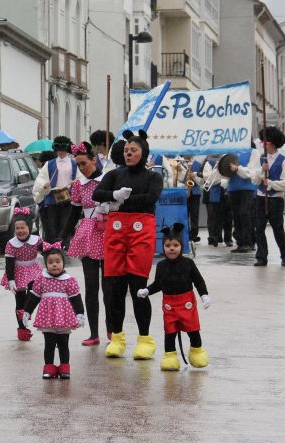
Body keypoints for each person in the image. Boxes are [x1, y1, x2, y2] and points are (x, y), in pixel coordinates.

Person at [92, 130, 163, 360]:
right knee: (114, 288)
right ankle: (118, 337)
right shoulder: (114, 174)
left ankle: (144, 339)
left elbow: (150, 198)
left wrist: (122, 200)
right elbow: (97, 193)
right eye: (126, 150)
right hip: (116, 232)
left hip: (141, 231)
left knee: (138, 287)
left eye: (133, 150)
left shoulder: (153, 177)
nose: (129, 153)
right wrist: (113, 194)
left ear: (143, 153)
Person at [137, 223, 211, 371]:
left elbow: (198, 280)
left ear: (181, 246)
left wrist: (204, 295)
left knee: (193, 329)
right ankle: (170, 356)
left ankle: (197, 351)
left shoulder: (188, 263)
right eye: (168, 245)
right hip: (169, 305)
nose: (172, 248)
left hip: (187, 303)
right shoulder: (161, 266)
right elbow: (158, 284)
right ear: (163, 247)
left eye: (176, 245)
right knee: (170, 331)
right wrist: (147, 291)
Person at [61, 141, 112, 346]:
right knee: (90, 287)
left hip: (107, 233)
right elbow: (74, 212)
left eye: (84, 163)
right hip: (88, 235)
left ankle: (112, 331)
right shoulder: (78, 185)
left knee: (109, 287)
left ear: (94, 160)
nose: (82, 168)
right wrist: (63, 235)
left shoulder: (108, 180)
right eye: (78, 165)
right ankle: (93, 333)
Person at [22, 241, 84, 379]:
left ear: (63, 263)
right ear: (46, 264)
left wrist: (80, 314)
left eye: (57, 261)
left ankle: (64, 367)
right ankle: (49, 367)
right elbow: (34, 297)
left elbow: (76, 299)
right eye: (50, 262)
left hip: (64, 319)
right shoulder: (41, 280)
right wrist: (27, 311)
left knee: (63, 344)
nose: (54, 264)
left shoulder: (69, 280)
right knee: (49, 344)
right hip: (47, 319)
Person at [251, 127, 285, 267]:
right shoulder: (261, 159)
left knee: (277, 228)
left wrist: (271, 183)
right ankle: (261, 257)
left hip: (276, 199)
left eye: (266, 141)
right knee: (259, 228)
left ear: (273, 143)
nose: (263, 144)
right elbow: (254, 181)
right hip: (260, 197)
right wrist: (260, 172)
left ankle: (284, 255)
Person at [0, 207, 43, 341]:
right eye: (17, 228)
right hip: (18, 272)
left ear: (29, 227)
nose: (20, 231)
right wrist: (11, 280)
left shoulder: (37, 240)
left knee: (33, 293)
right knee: (20, 301)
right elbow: (9, 264)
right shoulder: (11, 244)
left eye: (23, 227)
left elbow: (47, 253)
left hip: (34, 269)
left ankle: (28, 311)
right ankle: (22, 329)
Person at [32, 135, 77, 244]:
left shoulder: (74, 163)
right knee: (52, 225)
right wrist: (44, 185)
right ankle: (52, 246)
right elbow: (40, 180)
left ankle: (63, 245)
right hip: (52, 198)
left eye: (63, 149)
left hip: (68, 198)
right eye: (58, 149)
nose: (61, 152)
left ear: (67, 149)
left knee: (65, 223)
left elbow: (79, 179)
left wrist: (73, 185)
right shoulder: (49, 163)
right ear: (55, 149)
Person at [226, 143, 261, 253]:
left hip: (247, 188)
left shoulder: (253, 152)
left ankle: (249, 242)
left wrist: (237, 169)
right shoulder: (230, 151)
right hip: (233, 188)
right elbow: (224, 171)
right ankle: (240, 243)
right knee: (236, 215)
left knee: (245, 213)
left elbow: (250, 172)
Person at [202, 155, 233, 247]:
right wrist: (219, 172)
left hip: (227, 191)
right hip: (215, 192)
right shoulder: (209, 163)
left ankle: (228, 239)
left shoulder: (229, 161)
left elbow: (231, 176)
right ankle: (215, 238)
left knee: (228, 216)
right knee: (215, 216)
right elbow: (208, 179)